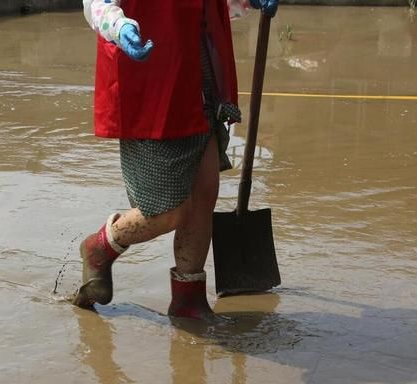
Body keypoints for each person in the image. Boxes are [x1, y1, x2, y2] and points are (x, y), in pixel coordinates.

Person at [72, 0, 278, 321]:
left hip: (201, 81)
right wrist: (119, 26)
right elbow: (97, 4)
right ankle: (100, 247)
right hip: (154, 83)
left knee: (204, 194)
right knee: (169, 211)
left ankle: (188, 300)